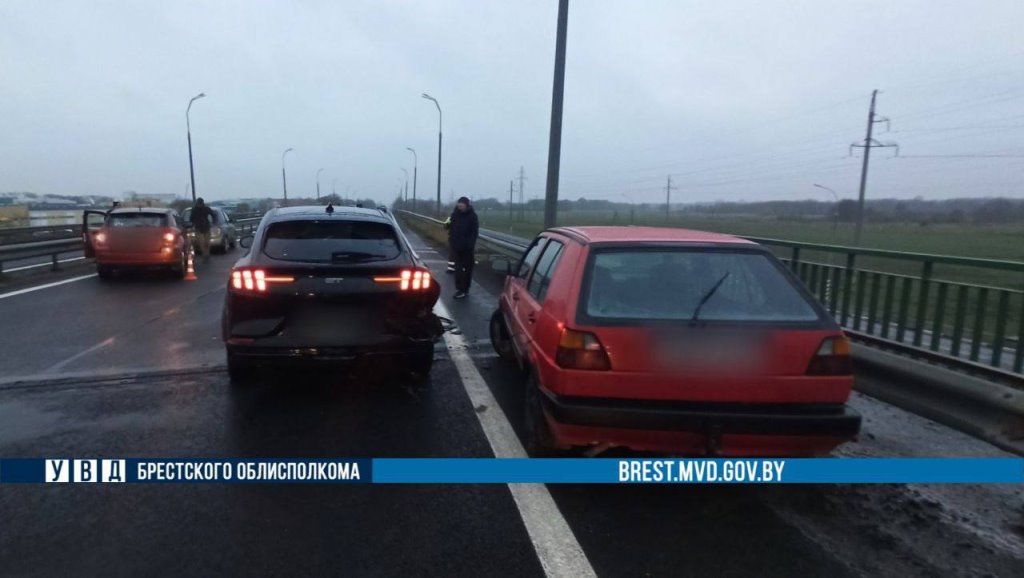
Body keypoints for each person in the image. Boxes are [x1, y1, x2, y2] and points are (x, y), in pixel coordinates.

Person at [448, 197, 478, 299]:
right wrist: (451, 241)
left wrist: (470, 245)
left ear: (466, 205)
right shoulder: (454, 215)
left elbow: (474, 232)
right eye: (459, 205)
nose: (460, 207)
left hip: (468, 249)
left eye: (462, 205)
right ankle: (460, 289)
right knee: (458, 270)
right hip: (456, 247)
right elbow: (450, 228)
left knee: (468, 270)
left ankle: (466, 289)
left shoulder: (472, 216)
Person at [190, 197, 214, 264]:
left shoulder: (206, 209)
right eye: (198, 204)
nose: (199, 205)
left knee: (207, 243)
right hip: (198, 228)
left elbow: (213, 214)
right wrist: (193, 223)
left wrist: (214, 221)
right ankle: (204, 255)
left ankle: (207, 255)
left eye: (200, 204)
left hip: (206, 227)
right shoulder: (194, 210)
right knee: (202, 243)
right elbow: (191, 218)